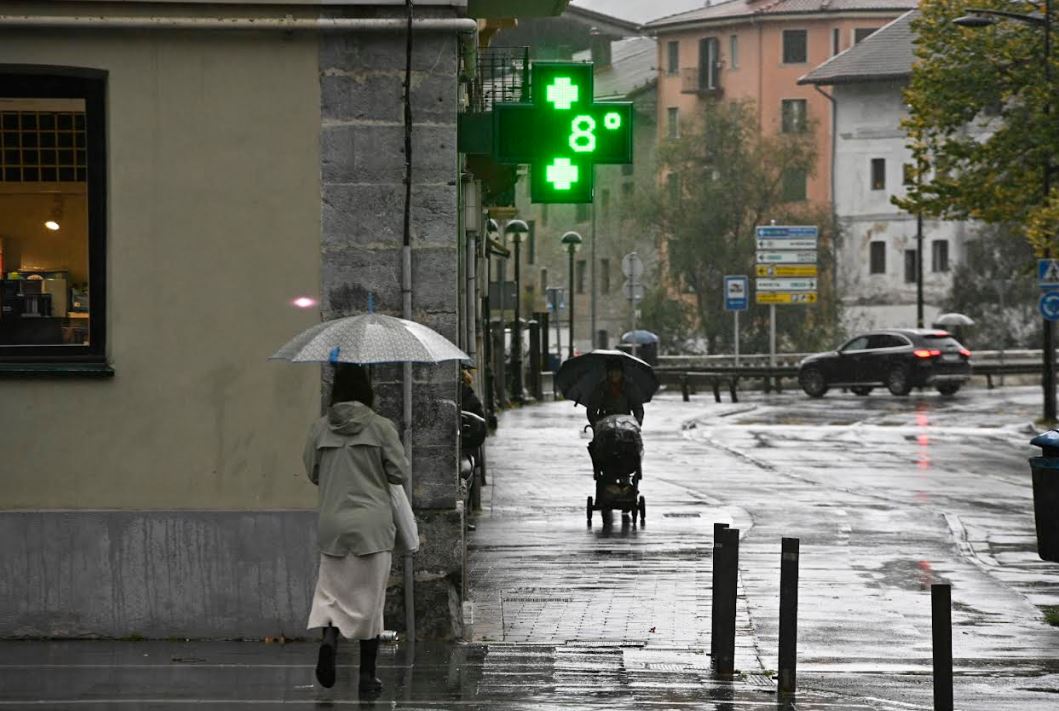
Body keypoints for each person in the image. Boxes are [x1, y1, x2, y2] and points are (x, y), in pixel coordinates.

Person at [304, 363, 407, 694]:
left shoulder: (320, 429)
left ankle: (330, 639)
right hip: (371, 525)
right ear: (367, 391)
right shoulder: (380, 427)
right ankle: (366, 676)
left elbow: (313, 472)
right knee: (370, 601)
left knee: (331, 593)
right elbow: (398, 473)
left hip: (333, 523)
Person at [586, 357, 644, 426]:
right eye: (611, 371)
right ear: (607, 373)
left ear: (622, 372)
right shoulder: (601, 388)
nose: (614, 374)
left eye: (617, 371)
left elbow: (637, 407)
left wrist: (637, 422)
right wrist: (597, 424)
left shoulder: (629, 387)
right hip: (605, 424)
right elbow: (592, 409)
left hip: (625, 424)